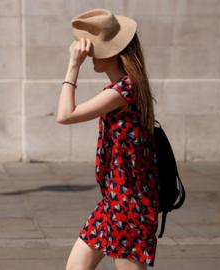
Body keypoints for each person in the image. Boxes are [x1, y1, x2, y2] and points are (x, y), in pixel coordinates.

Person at [56, 9, 160, 270]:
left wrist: (73, 66)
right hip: (113, 202)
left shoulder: (124, 90)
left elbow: (65, 115)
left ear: (112, 53)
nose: (90, 54)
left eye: (95, 49)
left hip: (129, 206)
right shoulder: (124, 88)